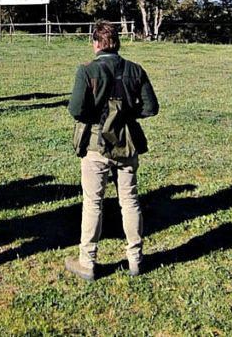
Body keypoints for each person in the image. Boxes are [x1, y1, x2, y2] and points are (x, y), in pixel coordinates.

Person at [65, 21, 159, 281]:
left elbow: (75, 110)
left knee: (93, 202)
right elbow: (151, 108)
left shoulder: (87, 70)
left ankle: (87, 261)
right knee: (130, 201)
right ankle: (136, 259)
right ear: (117, 42)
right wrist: (126, 116)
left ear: (95, 44)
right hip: (127, 145)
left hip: (96, 146)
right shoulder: (136, 70)